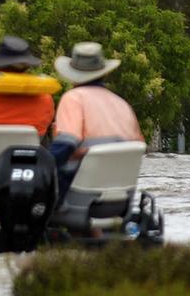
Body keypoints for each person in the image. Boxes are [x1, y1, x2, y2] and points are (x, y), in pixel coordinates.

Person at [50, 41, 144, 192]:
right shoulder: (122, 104)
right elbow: (139, 147)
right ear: (104, 73)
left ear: (73, 75)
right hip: (121, 195)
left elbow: (66, 144)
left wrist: (42, 164)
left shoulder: (73, 98)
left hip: (79, 191)